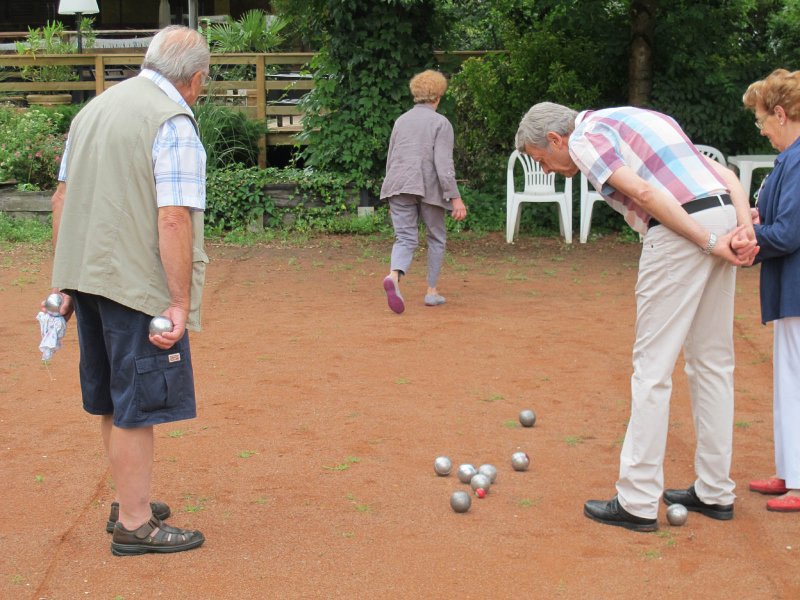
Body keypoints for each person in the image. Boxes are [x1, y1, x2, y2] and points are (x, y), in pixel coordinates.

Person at [514, 102, 758, 532]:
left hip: (683, 230)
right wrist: (742, 228)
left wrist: (706, 241)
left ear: (556, 139)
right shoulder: (644, 118)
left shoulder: (585, 137)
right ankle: (715, 491)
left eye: (541, 160)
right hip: (720, 213)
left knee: (652, 368)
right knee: (713, 363)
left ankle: (638, 499)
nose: (548, 170)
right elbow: (727, 177)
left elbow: (645, 194)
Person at [46, 25, 210, 555]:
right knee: (137, 403)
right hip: (137, 285)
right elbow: (172, 217)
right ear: (196, 79)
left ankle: (128, 500)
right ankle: (136, 524)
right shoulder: (172, 120)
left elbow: (62, 198)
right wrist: (180, 302)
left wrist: (63, 280)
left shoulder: (94, 109)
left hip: (88, 278)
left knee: (115, 401)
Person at [742, 69, 800, 512]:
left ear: (780, 114)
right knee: (787, 380)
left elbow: (790, 231)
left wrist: (745, 240)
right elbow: (773, 218)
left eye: (762, 119)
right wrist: (756, 224)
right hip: (788, 287)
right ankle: (790, 473)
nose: (760, 128)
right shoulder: (791, 157)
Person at [380, 69, 467, 314]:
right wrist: (455, 197)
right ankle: (431, 292)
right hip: (428, 186)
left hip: (398, 183)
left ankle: (394, 276)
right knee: (436, 237)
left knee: (405, 238)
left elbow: (392, 157)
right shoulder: (441, 123)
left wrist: (391, 186)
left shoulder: (401, 120)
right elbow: (443, 164)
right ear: (438, 96)